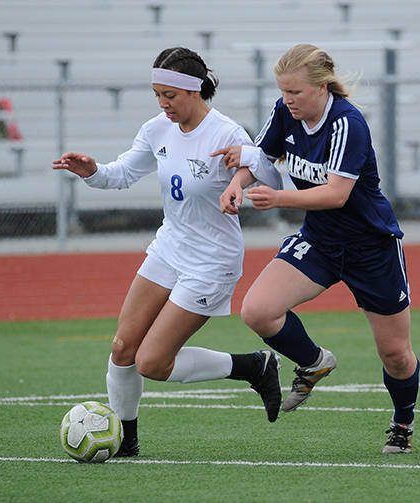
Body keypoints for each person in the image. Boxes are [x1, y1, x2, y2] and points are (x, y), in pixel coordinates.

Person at [53, 47, 284, 457]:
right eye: (157, 94)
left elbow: (268, 171)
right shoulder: (157, 128)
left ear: (194, 92)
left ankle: (253, 366)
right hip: (169, 248)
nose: (163, 104)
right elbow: (122, 174)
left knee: (153, 363)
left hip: (211, 262)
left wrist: (240, 178)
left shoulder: (225, 132)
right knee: (123, 348)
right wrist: (92, 171)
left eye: (170, 96)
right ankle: (127, 442)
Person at [215, 44, 420, 454]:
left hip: (370, 246)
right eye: (283, 91)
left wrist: (278, 199)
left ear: (322, 87)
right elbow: (261, 156)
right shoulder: (284, 112)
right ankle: (313, 362)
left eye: (296, 92)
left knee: (395, 354)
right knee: (257, 310)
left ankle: (402, 424)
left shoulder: (348, 123)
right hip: (320, 240)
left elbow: (337, 194)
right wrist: (237, 184)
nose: (288, 100)